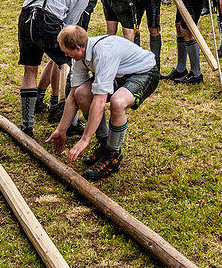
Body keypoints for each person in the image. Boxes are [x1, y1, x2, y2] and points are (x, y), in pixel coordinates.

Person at [48, 25, 159, 181]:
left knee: (117, 102)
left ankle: (113, 155)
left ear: (79, 48)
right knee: (82, 93)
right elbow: (73, 97)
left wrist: (85, 139)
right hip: (119, 74)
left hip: (144, 73)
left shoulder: (104, 53)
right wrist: (61, 129)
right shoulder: (81, 57)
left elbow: (99, 102)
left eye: (67, 51)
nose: (65, 55)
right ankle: (105, 146)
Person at [17, 0, 100, 136]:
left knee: (30, 70)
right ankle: (71, 121)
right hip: (48, 22)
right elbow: (68, 30)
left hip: (25, 16)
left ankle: (27, 125)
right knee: (72, 65)